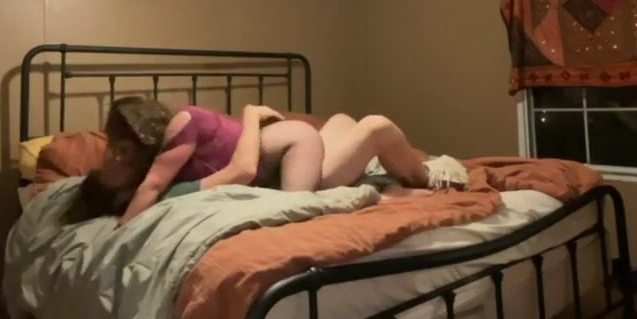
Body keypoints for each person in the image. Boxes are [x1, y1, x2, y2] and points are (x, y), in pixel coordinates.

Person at [78, 97, 436, 224]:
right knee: (376, 126)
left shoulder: (177, 147)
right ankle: (424, 180)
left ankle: (407, 175)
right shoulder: (168, 190)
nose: (110, 156)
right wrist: (251, 115)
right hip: (296, 158)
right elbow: (244, 169)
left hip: (296, 149)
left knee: (342, 119)